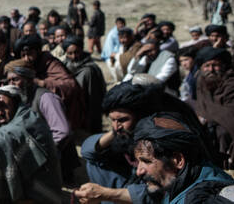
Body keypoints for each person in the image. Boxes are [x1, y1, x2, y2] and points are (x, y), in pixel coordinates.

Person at [76, 77, 206, 204]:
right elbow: (88, 152)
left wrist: (106, 194)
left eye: (122, 119)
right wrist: (115, 132)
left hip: (164, 191)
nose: (116, 126)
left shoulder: (161, 135)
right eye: (112, 120)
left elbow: (161, 189)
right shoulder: (126, 132)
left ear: (140, 115)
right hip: (137, 183)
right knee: (95, 162)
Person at [0, 85, 62, 204]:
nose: (0, 113)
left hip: (42, 192)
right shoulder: (6, 123)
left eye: (4, 106)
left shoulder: (28, 122)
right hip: (26, 186)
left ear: (16, 104)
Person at [132, 112, 234, 203]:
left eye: (147, 161)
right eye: (139, 161)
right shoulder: (177, 185)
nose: (139, 171)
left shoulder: (202, 198)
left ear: (178, 160)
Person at [13, 35, 85, 129]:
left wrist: (42, 83)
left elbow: (71, 85)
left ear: (38, 52)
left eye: (30, 54)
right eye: (23, 55)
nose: (27, 59)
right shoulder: (22, 68)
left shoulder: (50, 63)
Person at [195, 46, 234, 170]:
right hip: (209, 126)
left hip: (227, 129)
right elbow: (201, 106)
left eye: (215, 65)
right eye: (207, 66)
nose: (211, 69)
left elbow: (230, 114)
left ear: (223, 66)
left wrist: (205, 117)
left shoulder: (231, 83)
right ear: (201, 68)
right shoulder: (201, 81)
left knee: (221, 133)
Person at [63, 36, 107, 134]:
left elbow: (94, 97)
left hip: (88, 108)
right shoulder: (63, 65)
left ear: (81, 50)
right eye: (70, 53)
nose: (74, 56)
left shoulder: (90, 70)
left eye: (76, 52)